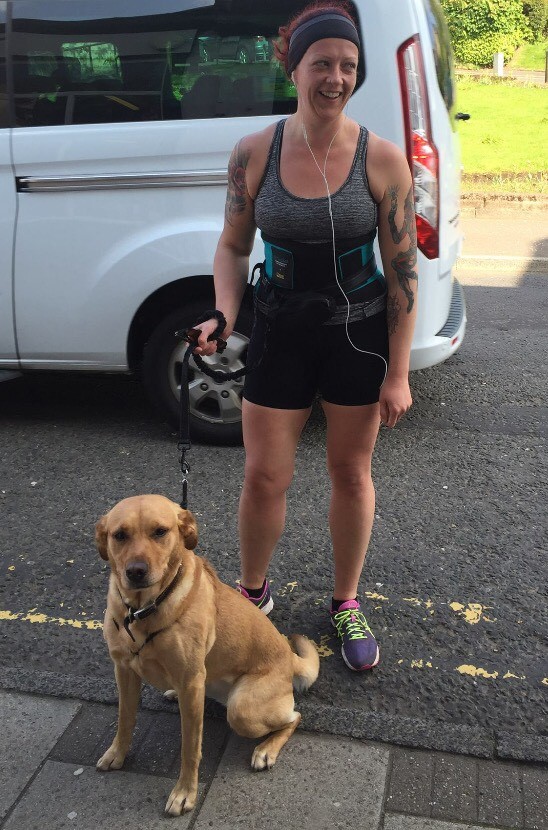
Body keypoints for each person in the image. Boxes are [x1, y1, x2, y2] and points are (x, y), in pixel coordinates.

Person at [194, 0, 417, 672]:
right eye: (322, 63)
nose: (336, 78)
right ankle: (253, 593)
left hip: (357, 335)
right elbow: (233, 247)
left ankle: (345, 601)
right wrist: (224, 314)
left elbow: (403, 272)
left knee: (350, 473)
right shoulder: (254, 153)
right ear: (292, 68)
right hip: (280, 329)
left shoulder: (383, 159)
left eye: (348, 65)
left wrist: (398, 373)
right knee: (264, 475)